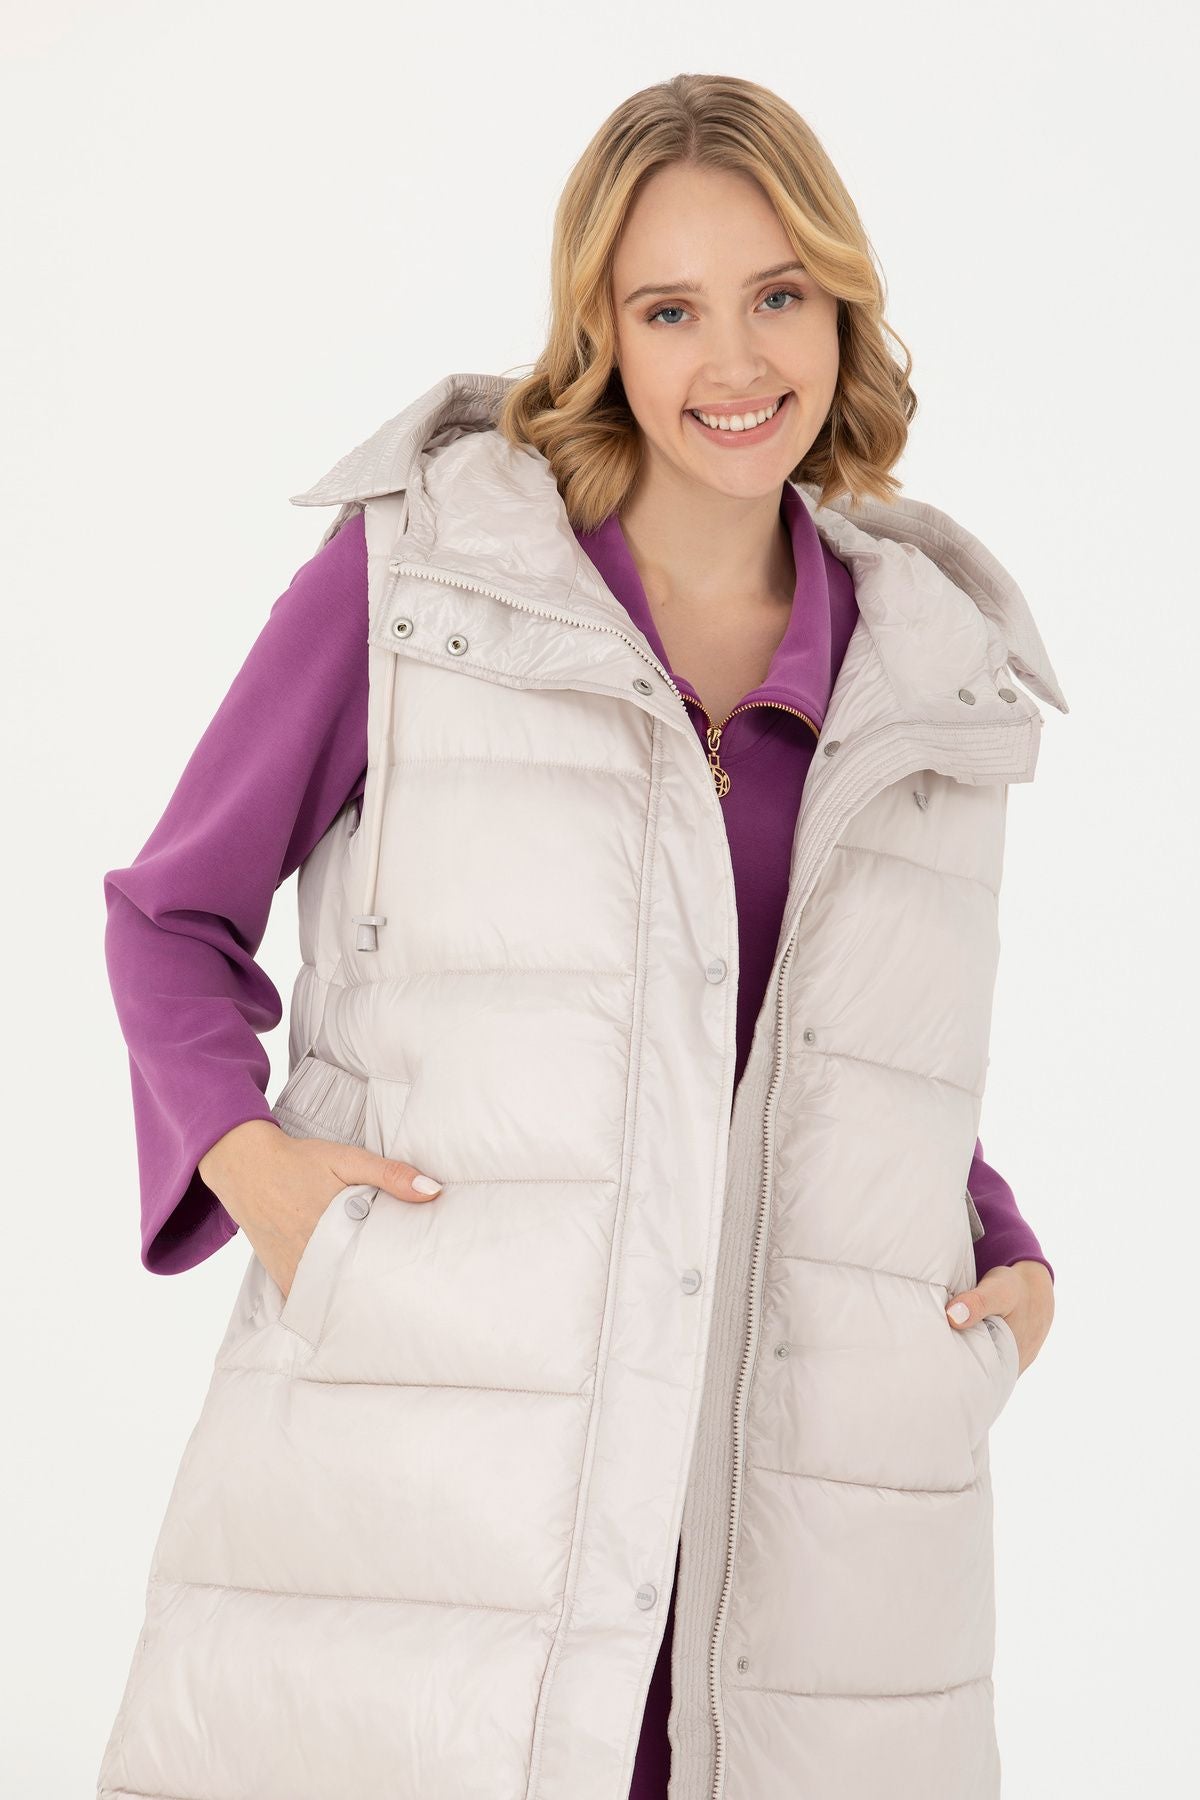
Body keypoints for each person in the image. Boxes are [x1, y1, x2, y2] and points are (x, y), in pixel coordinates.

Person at [96, 72, 1063, 1800]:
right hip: (445, 1490)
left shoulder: (932, 676)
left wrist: (1005, 1256)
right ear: (598, 332)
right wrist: (261, 1178)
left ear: (844, 305)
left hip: (806, 1534)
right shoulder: (427, 589)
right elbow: (171, 917)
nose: (735, 360)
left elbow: (833, 1045)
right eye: (670, 309)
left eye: (779, 295)